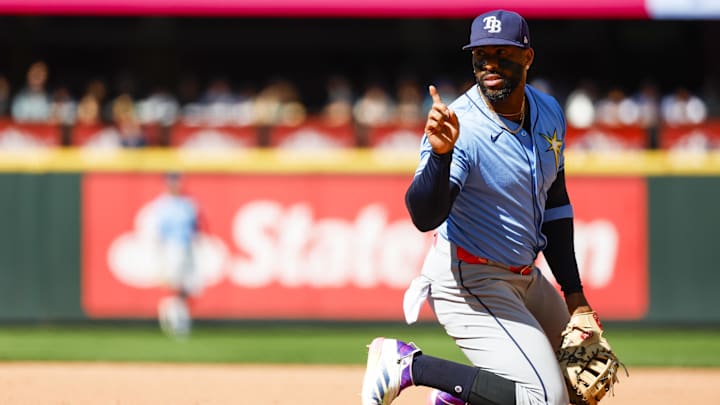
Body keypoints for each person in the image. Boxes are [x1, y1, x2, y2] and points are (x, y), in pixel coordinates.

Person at [361, 10, 598, 405]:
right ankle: (408, 365)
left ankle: (465, 400)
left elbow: (556, 206)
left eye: (502, 52)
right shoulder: (461, 126)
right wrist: (440, 156)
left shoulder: (549, 112)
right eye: (480, 54)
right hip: (469, 281)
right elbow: (423, 216)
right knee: (544, 399)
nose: (489, 63)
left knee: (583, 382)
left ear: (527, 57)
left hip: (526, 277)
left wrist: (576, 299)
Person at [155, 172, 201, 338]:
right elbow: (159, 234)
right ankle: (176, 319)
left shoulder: (188, 203)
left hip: (188, 246)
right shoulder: (162, 205)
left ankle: (173, 310)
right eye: (171, 182)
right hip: (172, 248)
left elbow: (196, 227)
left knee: (191, 286)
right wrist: (161, 257)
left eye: (177, 181)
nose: (175, 185)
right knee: (174, 284)